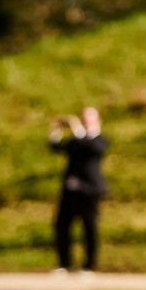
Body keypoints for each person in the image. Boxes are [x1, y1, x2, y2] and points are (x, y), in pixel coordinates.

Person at [48, 106, 109, 273]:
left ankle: (89, 265)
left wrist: (78, 130)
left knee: (89, 229)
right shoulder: (76, 141)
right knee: (62, 226)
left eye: (88, 119)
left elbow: (92, 148)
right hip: (70, 191)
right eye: (83, 119)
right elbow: (55, 147)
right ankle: (65, 264)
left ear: (98, 121)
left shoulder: (99, 140)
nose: (85, 122)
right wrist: (55, 130)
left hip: (90, 191)